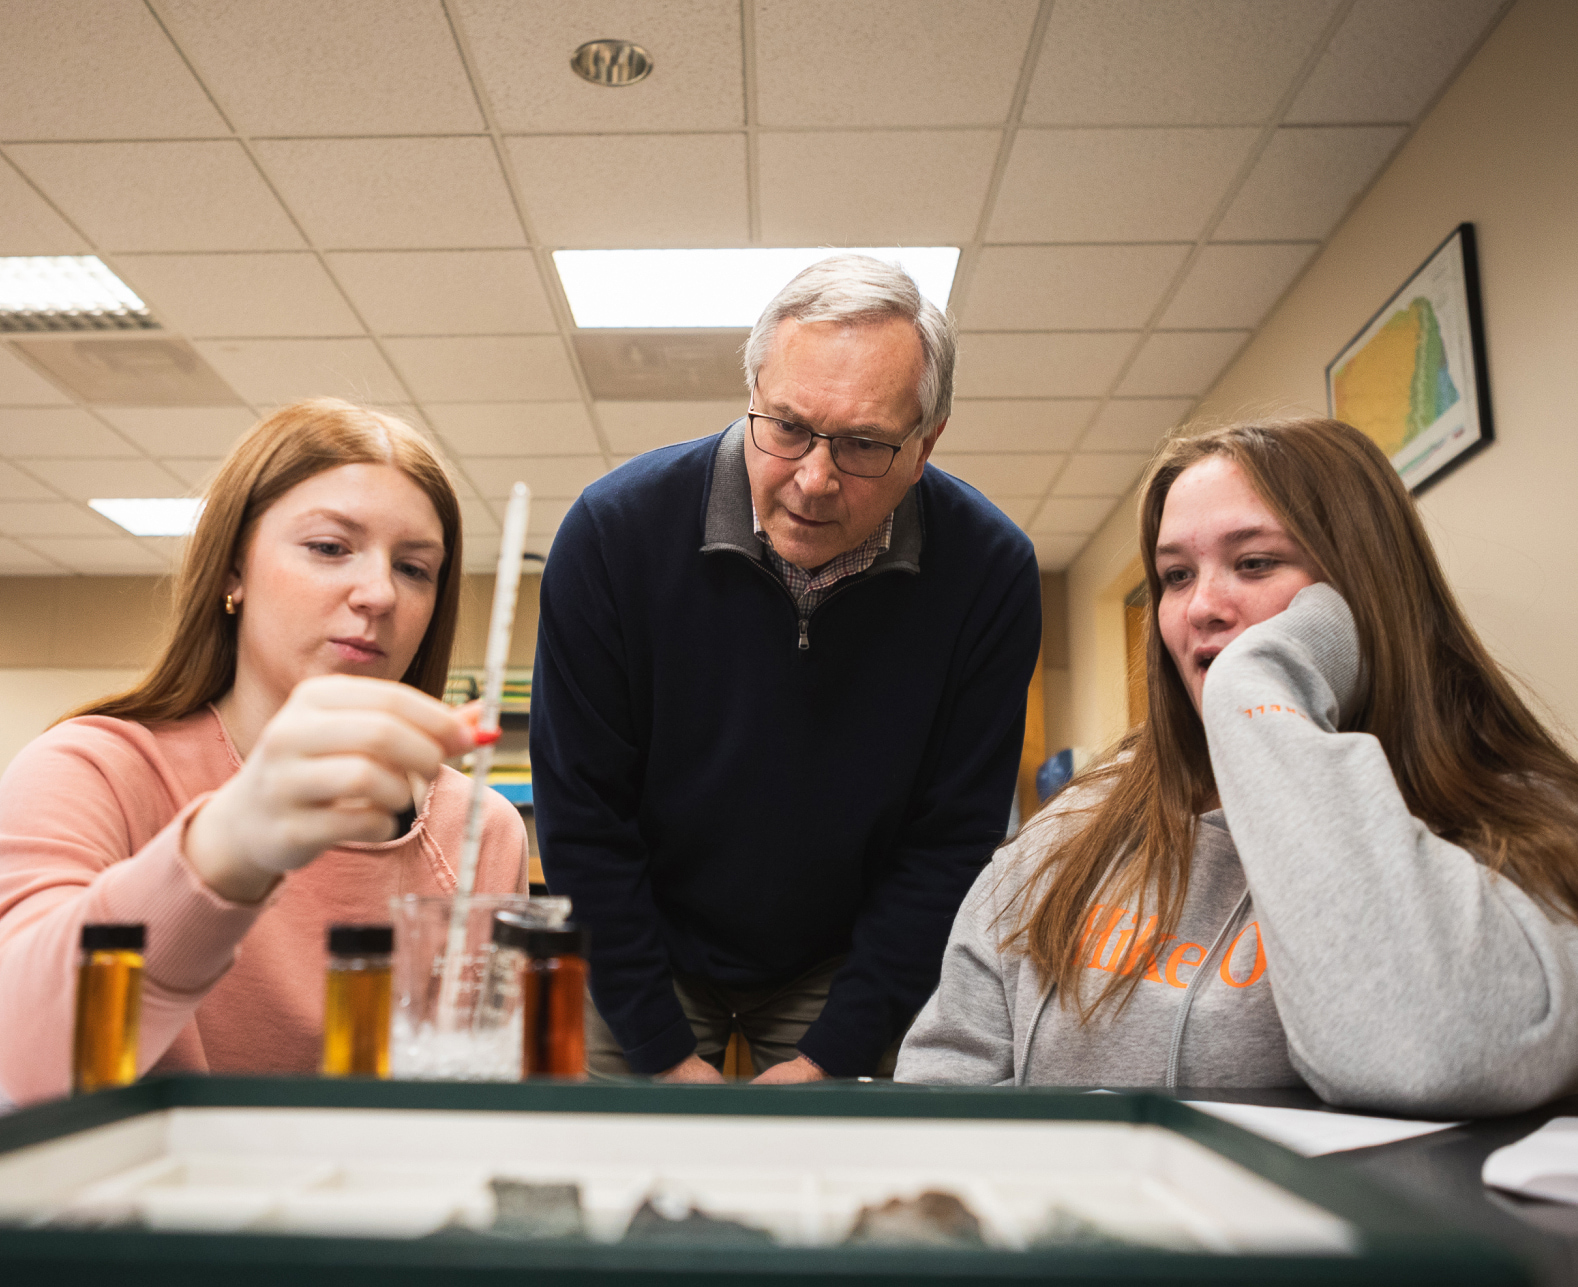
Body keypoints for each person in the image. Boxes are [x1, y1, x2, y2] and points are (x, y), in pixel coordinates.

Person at [896, 417, 1578, 1116]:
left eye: (1254, 563)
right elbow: (944, 1083)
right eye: (1175, 576)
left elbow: (1437, 1054)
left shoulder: (1524, 828)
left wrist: (1257, 686)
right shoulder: (1073, 825)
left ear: (1361, 593)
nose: (1201, 608)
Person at [531, 255, 1043, 1083]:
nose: (813, 478)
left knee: (845, 1193)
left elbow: (950, 841)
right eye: (788, 427)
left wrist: (833, 1053)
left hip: (847, 960)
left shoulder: (988, 572)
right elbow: (583, 818)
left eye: (864, 444)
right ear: (754, 393)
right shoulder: (613, 533)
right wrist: (661, 1052)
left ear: (926, 445)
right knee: (614, 1185)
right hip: (637, 944)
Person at [0, 398, 524, 1104]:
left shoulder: (478, 827)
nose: (377, 593)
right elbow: (17, 1053)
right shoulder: (92, 769)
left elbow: (491, 1104)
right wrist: (227, 846)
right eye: (330, 547)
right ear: (231, 571)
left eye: (414, 567)